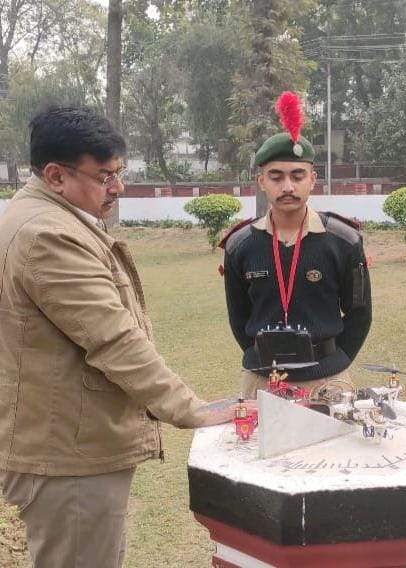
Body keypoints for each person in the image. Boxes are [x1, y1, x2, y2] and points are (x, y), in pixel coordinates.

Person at [0, 106, 250, 568]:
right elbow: (114, 340)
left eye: (120, 172)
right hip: (70, 453)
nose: (118, 187)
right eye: (105, 176)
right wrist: (190, 409)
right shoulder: (48, 234)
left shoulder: (43, 216)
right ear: (55, 175)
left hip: (68, 439)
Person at [222, 91, 372, 398]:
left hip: (328, 379)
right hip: (262, 379)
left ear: (312, 179)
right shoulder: (240, 245)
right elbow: (238, 318)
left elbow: (359, 314)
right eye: (276, 177)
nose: (287, 186)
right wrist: (263, 357)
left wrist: (336, 362)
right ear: (261, 181)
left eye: (297, 176)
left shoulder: (343, 241)